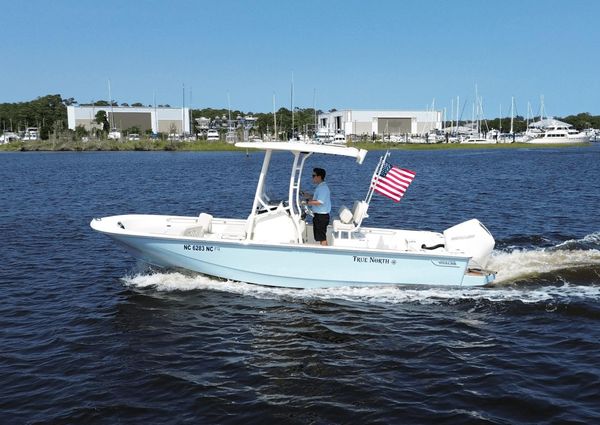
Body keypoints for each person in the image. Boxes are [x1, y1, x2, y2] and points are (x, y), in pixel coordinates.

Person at [304, 167, 331, 246]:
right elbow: (317, 198)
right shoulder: (320, 187)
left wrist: (306, 202)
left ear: (319, 177)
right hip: (320, 216)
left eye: (313, 175)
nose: (312, 177)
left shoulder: (323, 188)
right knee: (321, 237)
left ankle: (326, 254)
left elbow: (319, 202)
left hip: (321, 217)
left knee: (322, 238)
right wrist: (307, 195)